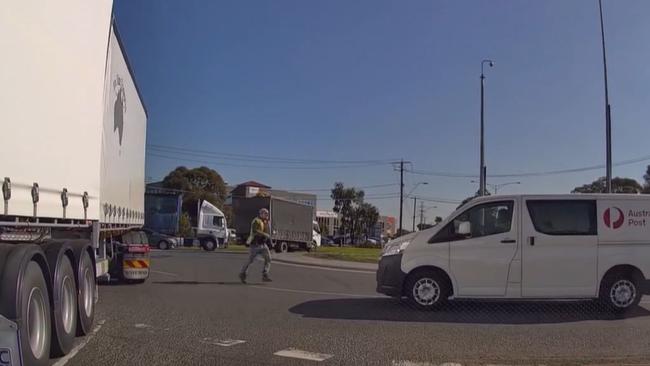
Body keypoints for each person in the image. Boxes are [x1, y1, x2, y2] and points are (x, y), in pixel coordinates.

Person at [239, 208, 272, 283]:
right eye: (265, 214)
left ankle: (265, 274)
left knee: (269, 258)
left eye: (267, 214)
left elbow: (268, 233)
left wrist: (269, 239)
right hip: (255, 244)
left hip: (263, 244)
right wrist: (264, 234)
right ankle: (242, 273)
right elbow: (255, 231)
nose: (267, 215)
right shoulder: (256, 221)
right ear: (261, 214)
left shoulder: (265, 222)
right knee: (250, 260)